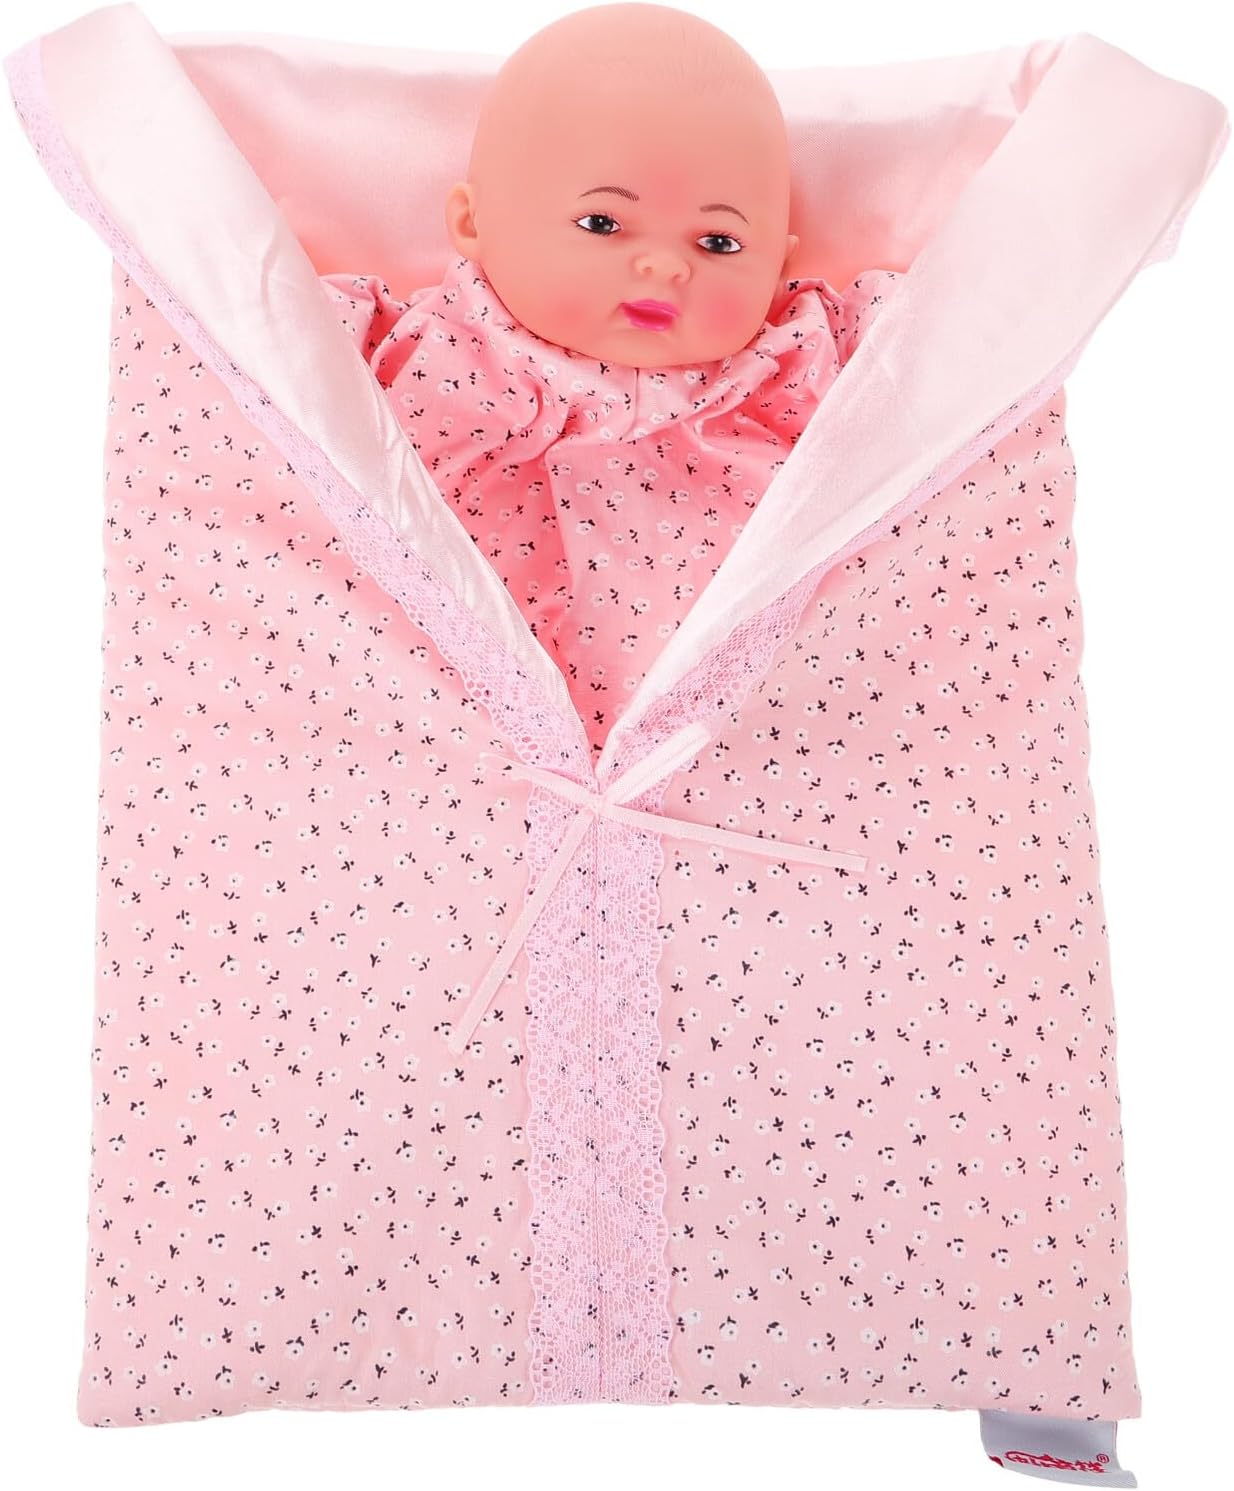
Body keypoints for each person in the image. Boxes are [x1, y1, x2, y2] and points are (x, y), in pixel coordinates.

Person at [320, 2, 899, 754]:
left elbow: (953, 359)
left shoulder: (791, 361)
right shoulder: (431, 350)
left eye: (719, 242)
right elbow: (262, 355)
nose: (664, 265)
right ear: (472, 223)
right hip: (450, 723)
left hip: (754, 728)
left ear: (777, 263)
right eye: (602, 224)